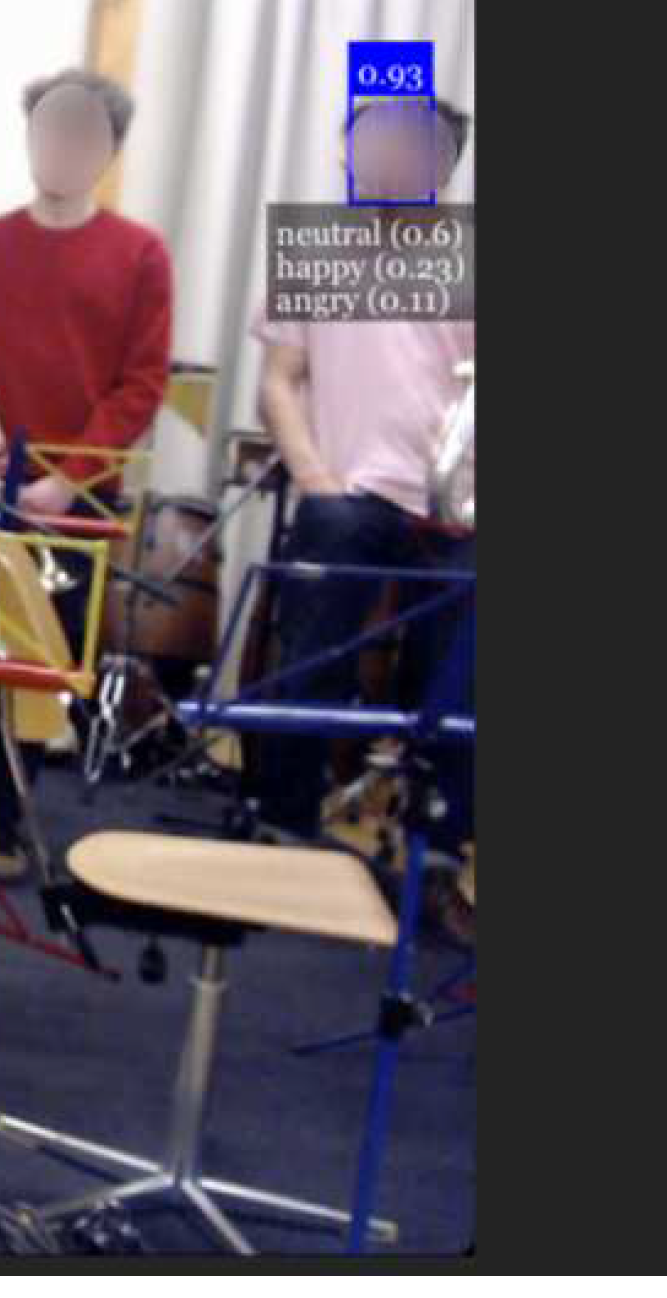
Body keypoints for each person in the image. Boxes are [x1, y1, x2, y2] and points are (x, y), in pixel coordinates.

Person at [0, 67, 175, 880]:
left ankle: (1, 827)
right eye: (50, 128)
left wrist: (67, 481)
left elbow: (140, 386)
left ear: (109, 151)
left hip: (70, 497)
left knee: (30, 666)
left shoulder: (141, 254)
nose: (63, 145)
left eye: (83, 133)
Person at [251, 96, 475, 937]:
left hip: (456, 504)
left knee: (461, 664)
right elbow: (280, 380)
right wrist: (314, 475)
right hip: (348, 490)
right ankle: (284, 819)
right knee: (315, 632)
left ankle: (440, 851)